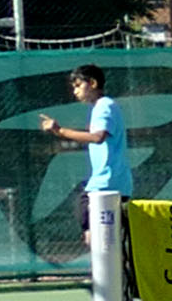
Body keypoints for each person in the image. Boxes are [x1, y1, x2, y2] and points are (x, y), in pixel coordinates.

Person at [36, 65, 129, 254]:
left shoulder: (104, 106)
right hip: (114, 182)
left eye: (78, 86)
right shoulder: (102, 107)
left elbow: (97, 137)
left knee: (88, 216)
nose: (75, 91)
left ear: (92, 83)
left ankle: (106, 265)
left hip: (107, 184)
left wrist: (60, 131)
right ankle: (109, 266)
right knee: (104, 237)